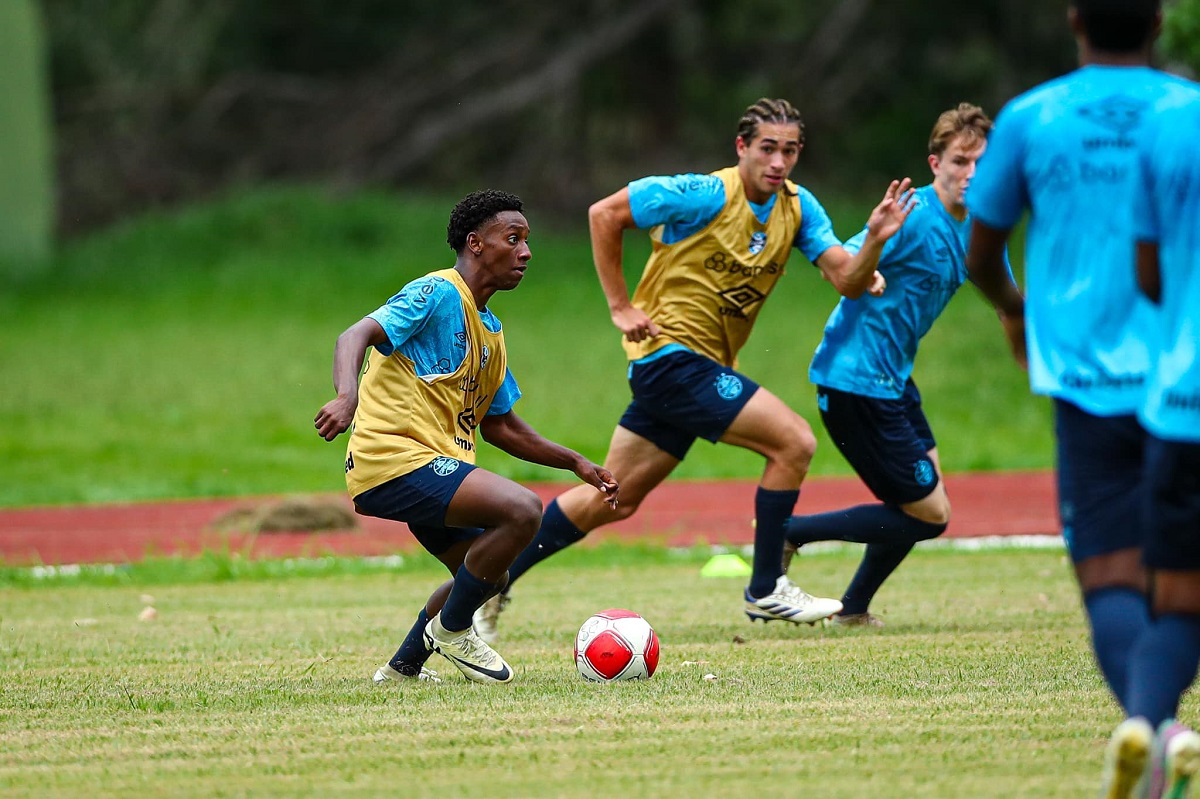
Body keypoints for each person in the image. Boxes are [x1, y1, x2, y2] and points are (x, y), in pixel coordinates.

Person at [473, 97, 917, 642]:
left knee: (612, 498)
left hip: (697, 370)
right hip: (669, 360)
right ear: (742, 149)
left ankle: (486, 583)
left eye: (790, 150)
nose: (778, 162)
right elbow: (604, 214)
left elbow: (846, 279)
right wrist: (620, 305)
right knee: (793, 443)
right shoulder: (704, 193)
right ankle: (767, 586)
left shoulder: (798, 210)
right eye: (767, 149)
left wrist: (873, 239)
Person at [963, 1, 1200, 794]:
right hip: (1183, 373)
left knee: (1108, 573)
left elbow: (983, 250)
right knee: (1180, 583)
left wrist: (1019, 309)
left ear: (1073, 20)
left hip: (1085, 379)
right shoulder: (1186, 111)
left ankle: (1148, 725)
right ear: (1160, 20)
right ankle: (1156, 729)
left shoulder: (1033, 116)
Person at [314, 189, 618, 685]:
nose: (526, 252)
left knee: (485, 576)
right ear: (476, 244)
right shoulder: (436, 292)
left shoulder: (491, 332)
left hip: (431, 466)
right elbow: (354, 335)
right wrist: (347, 397)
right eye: (513, 239)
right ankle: (454, 631)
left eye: (527, 241)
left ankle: (403, 668)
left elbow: (500, 425)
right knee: (522, 510)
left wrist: (575, 463)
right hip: (392, 458)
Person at [780, 103, 997, 628]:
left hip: (893, 380)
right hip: (853, 380)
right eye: (961, 161)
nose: (971, 174)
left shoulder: (979, 227)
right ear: (935, 163)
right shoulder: (912, 214)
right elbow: (847, 270)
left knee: (923, 509)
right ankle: (790, 532)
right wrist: (874, 247)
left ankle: (852, 610)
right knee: (930, 514)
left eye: (981, 163)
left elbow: (1008, 295)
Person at [1114, 83, 1200, 799]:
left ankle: (1146, 723)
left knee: (1174, 604)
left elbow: (1146, 271)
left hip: (1180, 403)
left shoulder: (1169, 127)